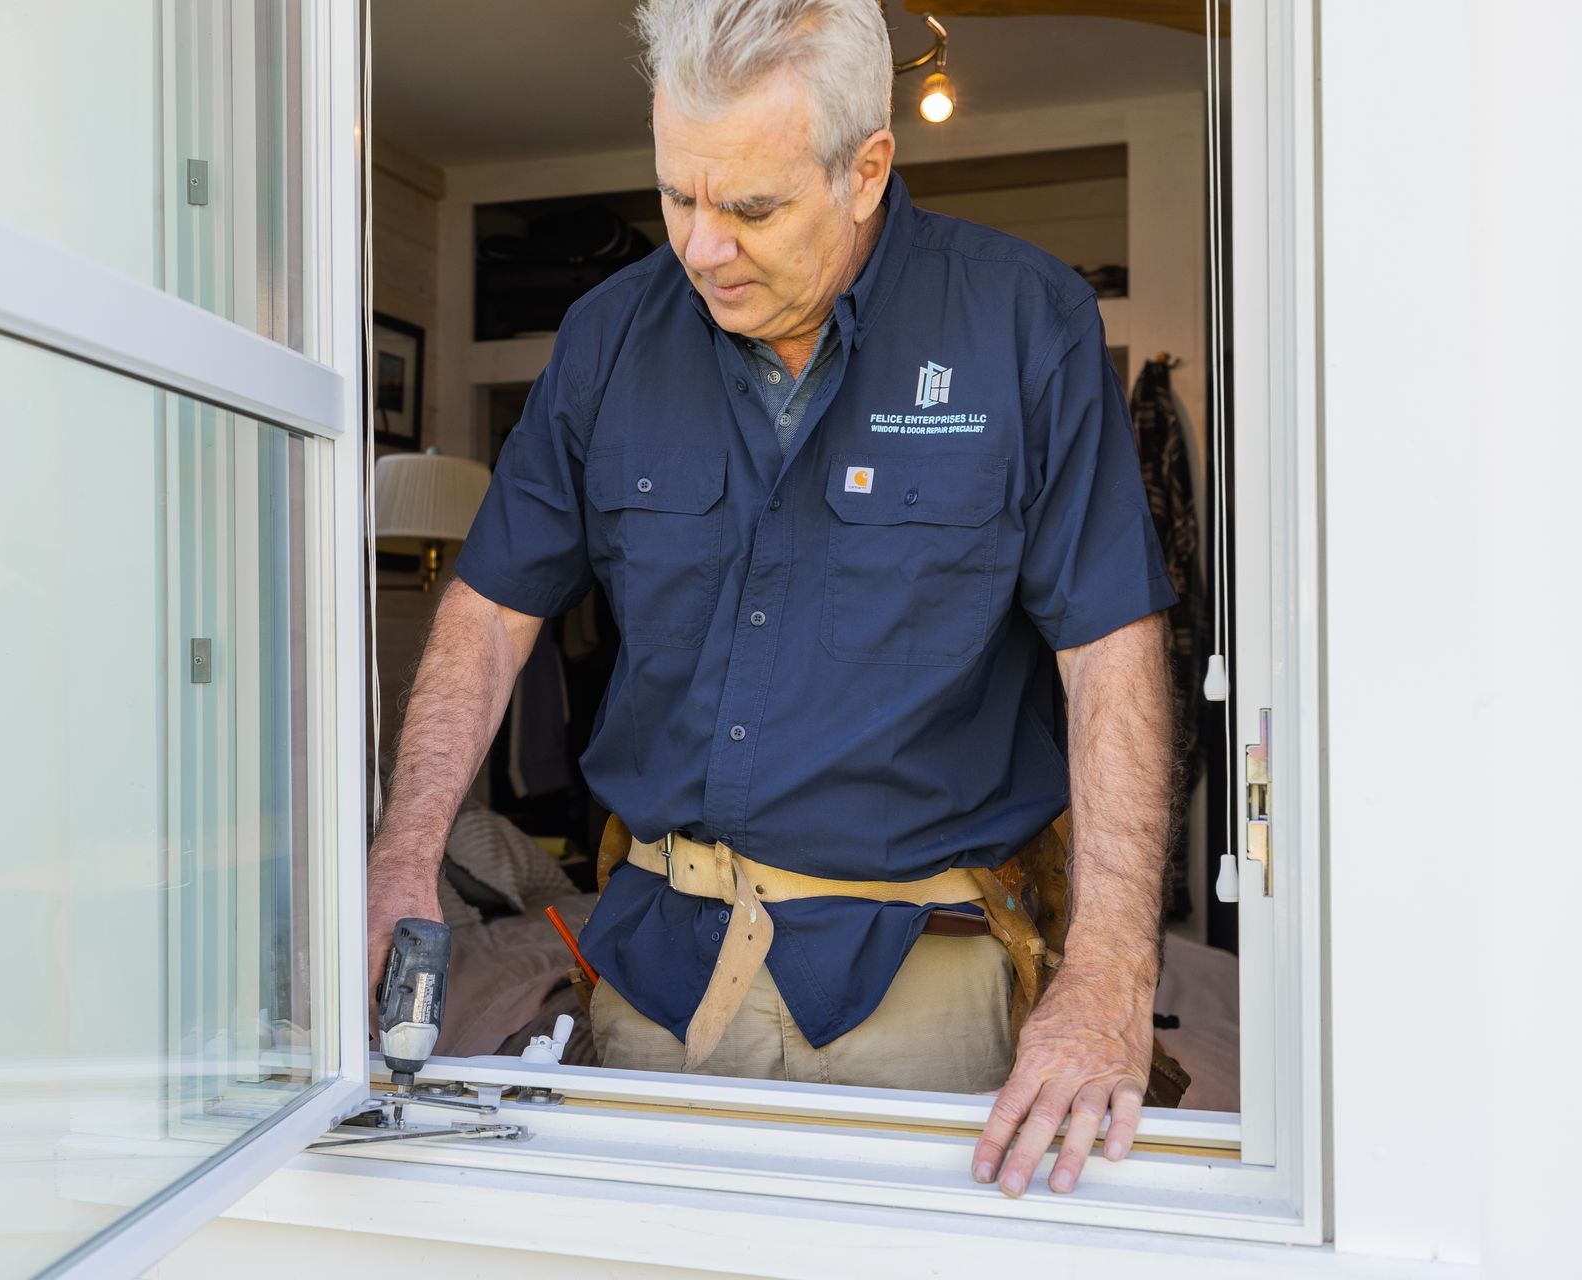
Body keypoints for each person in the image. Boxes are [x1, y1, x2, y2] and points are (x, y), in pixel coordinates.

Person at [367, 0, 1179, 1199]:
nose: (702, 248)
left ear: (866, 170)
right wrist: (403, 854)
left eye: (750, 208)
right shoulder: (605, 340)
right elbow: (490, 611)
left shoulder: (1024, 325)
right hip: (661, 972)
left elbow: (1109, 648)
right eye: (676, 196)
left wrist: (1110, 970)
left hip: (922, 980)